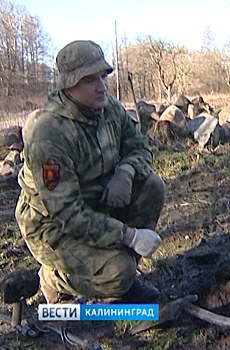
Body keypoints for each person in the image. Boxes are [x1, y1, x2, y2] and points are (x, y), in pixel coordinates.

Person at [15, 40, 165, 304]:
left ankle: (120, 281)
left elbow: (140, 147)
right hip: (53, 229)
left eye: (103, 76)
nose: (101, 86)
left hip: (96, 204)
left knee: (153, 186)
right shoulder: (50, 136)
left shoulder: (109, 108)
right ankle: (54, 279)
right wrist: (130, 236)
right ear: (69, 85)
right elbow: (68, 216)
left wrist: (126, 172)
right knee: (119, 271)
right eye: (89, 80)